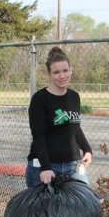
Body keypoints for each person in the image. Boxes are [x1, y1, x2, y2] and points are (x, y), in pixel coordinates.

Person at [26, 46, 92, 187]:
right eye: (56, 72)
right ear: (49, 74)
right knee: (45, 209)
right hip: (45, 167)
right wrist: (45, 167)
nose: (62, 76)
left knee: (83, 204)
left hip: (72, 165)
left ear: (71, 70)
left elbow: (75, 127)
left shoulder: (74, 97)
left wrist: (87, 149)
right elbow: (39, 135)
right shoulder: (40, 99)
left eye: (65, 71)